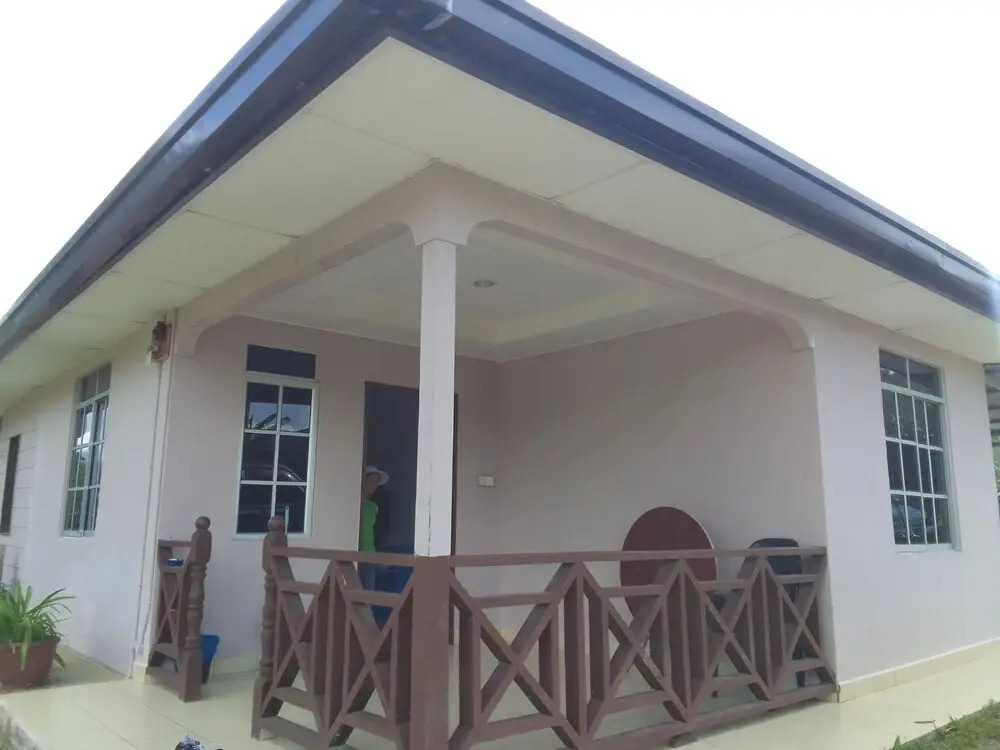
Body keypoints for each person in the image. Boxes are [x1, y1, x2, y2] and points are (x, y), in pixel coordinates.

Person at [358, 466, 388, 591]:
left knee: (369, 592)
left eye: (376, 482)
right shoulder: (355, 505)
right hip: (356, 553)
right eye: (371, 481)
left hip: (370, 555)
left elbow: (374, 534)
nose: (373, 485)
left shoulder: (373, 507)